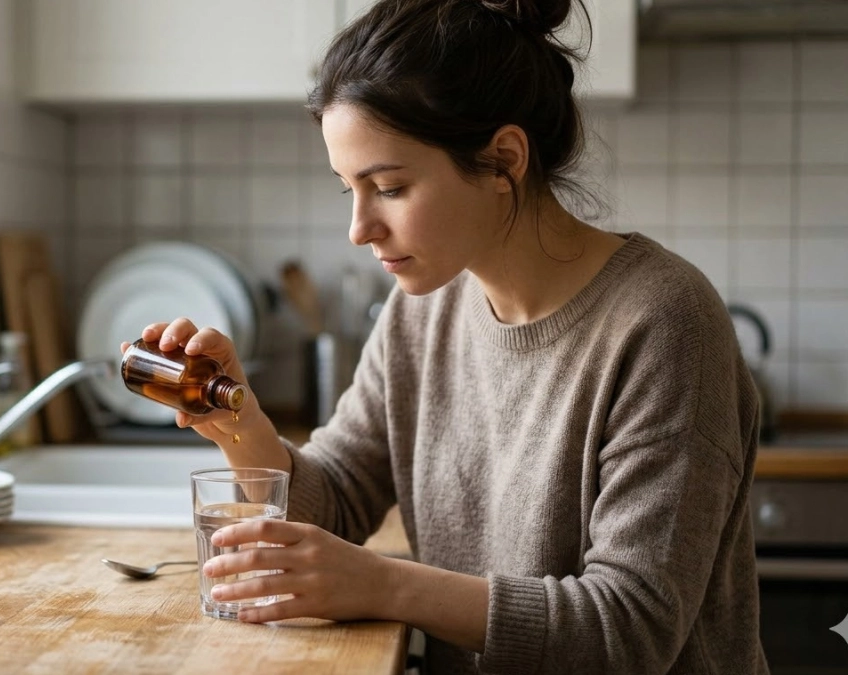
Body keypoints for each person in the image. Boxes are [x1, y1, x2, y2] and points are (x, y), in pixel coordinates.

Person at [132, 0, 769, 672]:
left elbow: (630, 629)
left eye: (389, 187)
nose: (360, 228)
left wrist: (384, 583)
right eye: (348, 188)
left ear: (503, 161)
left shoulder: (665, 321)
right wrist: (237, 422)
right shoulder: (423, 311)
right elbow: (340, 496)